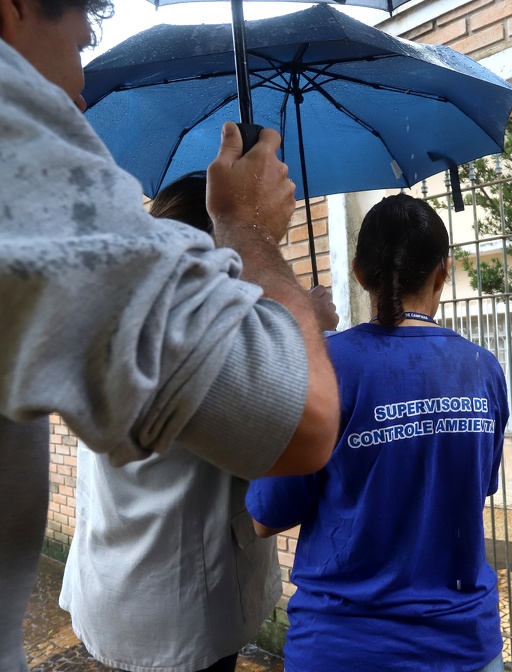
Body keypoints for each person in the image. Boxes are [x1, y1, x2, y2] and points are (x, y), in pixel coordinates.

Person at [0, 0, 341, 670]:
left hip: (108, 591)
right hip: (183, 618)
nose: (82, 80)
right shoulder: (20, 159)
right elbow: (304, 422)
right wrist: (252, 236)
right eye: (80, 38)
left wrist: (277, 304)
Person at [59, 174, 337, 672]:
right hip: (178, 615)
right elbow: (303, 435)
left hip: (114, 585)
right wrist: (300, 316)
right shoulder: (190, 339)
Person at [246, 194, 509, 672]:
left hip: (344, 648)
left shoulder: (325, 368)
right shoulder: (483, 369)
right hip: (464, 646)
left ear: (359, 272)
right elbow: (474, 488)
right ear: (442, 273)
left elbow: (265, 516)